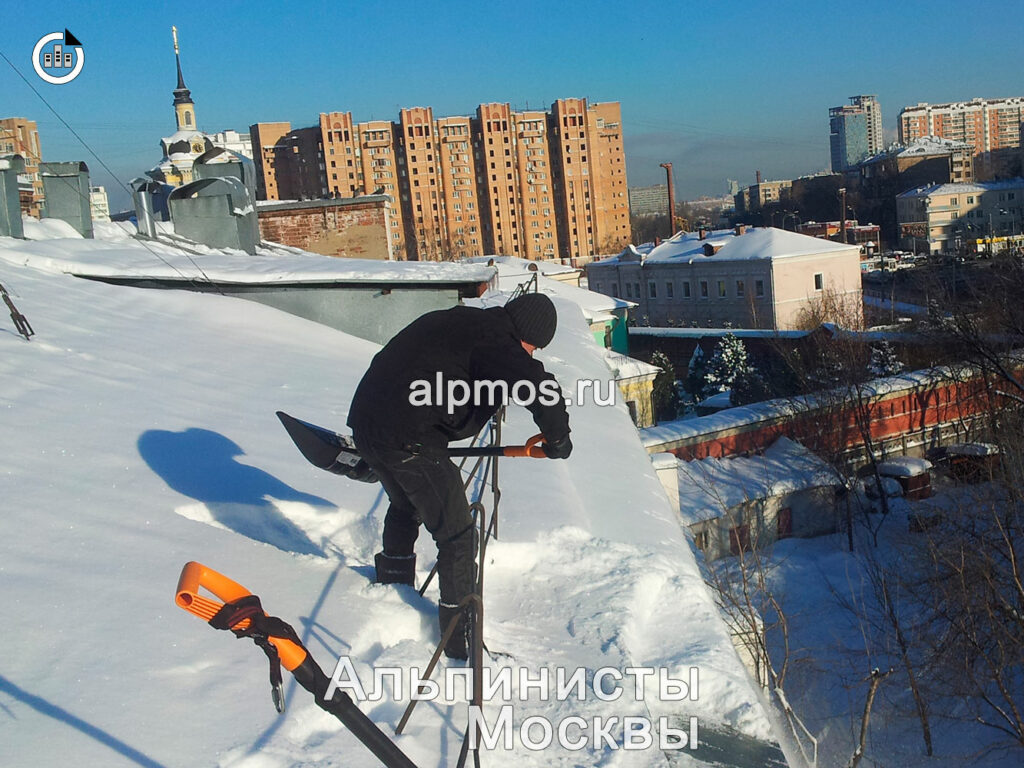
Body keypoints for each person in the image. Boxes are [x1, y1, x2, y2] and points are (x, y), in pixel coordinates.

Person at [347, 293, 571, 659]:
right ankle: (460, 643)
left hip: (368, 425)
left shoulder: (463, 323)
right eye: (534, 347)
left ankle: (393, 592)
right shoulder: (497, 341)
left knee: (406, 505)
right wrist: (559, 438)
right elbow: (538, 385)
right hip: (408, 437)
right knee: (459, 537)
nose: (531, 354)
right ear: (527, 335)